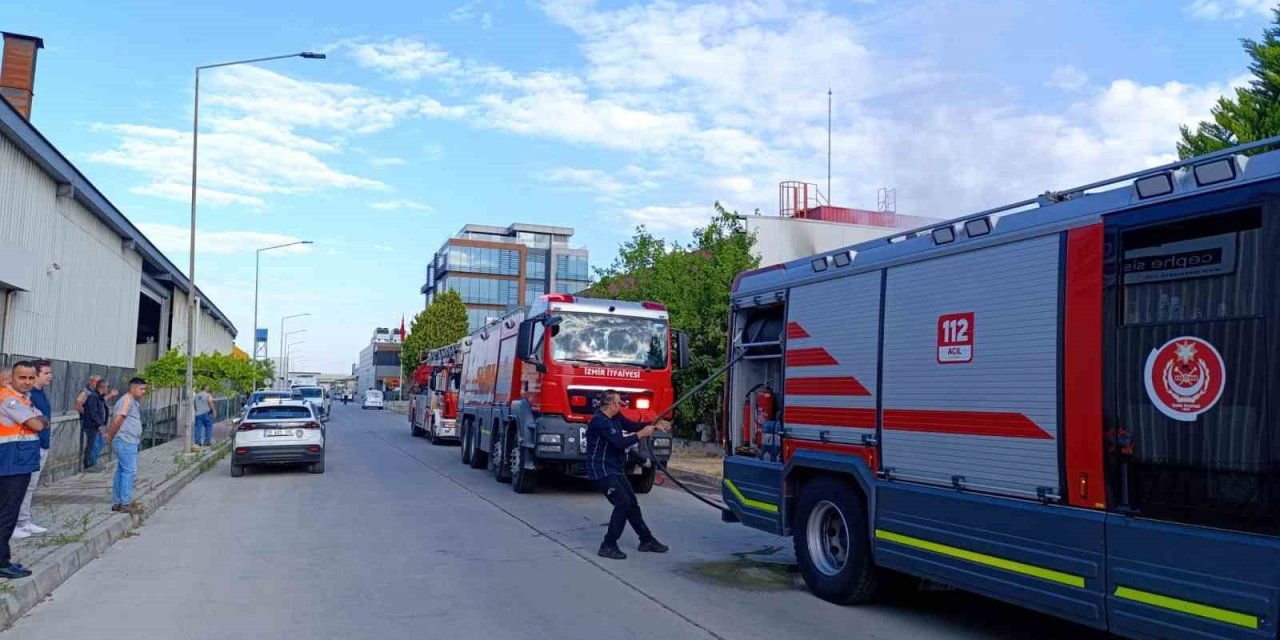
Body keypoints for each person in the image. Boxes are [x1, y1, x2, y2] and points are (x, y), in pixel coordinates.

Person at [584, 390, 671, 560]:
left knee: (631, 503)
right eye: (619, 403)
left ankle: (646, 540)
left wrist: (654, 424)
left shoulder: (615, 418)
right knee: (622, 503)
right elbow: (620, 443)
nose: (622, 405)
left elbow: (631, 426)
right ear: (612, 405)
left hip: (615, 468)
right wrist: (641, 435)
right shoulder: (600, 422)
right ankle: (608, 545)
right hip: (601, 470)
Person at [0, 361, 48, 579]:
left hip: (19, 461)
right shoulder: (9, 400)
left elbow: (42, 418)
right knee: (7, 514)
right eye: (22, 377)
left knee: (9, 513)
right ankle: (1, 563)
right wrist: (38, 421)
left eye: (30, 378)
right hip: (11, 463)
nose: (27, 382)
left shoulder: (24, 400)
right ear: (11, 378)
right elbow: (39, 424)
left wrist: (39, 420)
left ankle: (5, 559)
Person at [14, 361, 53, 538]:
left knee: (30, 487)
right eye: (46, 373)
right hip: (30, 446)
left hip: (42, 445)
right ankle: (19, 522)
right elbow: (35, 421)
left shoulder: (41, 394)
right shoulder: (28, 396)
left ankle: (24, 520)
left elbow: (43, 419)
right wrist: (41, 422)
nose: (50, 376)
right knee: (23, 486)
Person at [103, 377, 147, 514]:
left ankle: (118, 502)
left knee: (121, 471)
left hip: (127, 440)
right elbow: (118, 419)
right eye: (141, 389)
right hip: (125, 440)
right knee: (129, 471)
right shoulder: (127, 400)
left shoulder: (130, 401)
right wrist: (110, 434)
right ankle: (125, 503)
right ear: (132, 388)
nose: (144, 392)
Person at [82, 380, 109, 470]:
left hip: (99, 425)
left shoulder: (99, 397)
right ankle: (89, 465)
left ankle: (94, 462)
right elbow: (93, 412)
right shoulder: (93, 397)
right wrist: (99, 424)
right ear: (102, 387)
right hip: (92, 426)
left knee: (99, 443)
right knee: (92, 446)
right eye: (106, 387)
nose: (107, 389)